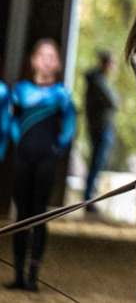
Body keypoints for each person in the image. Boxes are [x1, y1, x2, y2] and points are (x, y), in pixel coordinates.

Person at [6, 38, 76, 292]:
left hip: (46, 161)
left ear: (57, 64)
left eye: (52, 56)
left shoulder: (61, 95)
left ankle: (34, 276)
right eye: (42, 55)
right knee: (20, 216)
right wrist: (17, 140)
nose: (47, 60)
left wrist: (58, 146)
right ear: (34, 60)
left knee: (39, 216)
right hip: (23, 159)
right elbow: (10, 120)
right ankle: (18, 274)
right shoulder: (21, 91)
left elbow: (70, 126)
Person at [83, 49, 119, 211]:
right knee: (96, 163)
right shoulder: (97, 81)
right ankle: (88, 198)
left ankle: (89, 197)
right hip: (100, 128)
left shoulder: (97, 80)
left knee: (97, 163)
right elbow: (112, 102)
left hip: (99, 127)